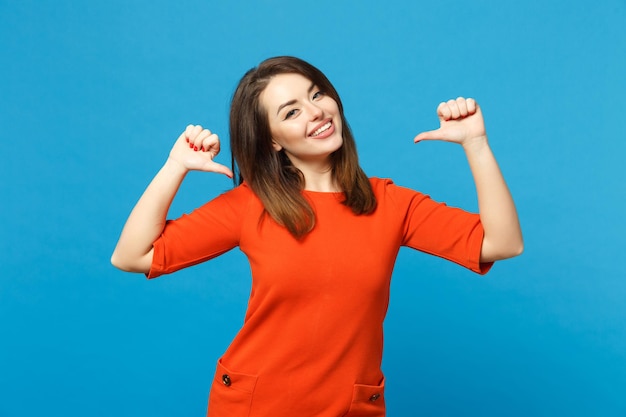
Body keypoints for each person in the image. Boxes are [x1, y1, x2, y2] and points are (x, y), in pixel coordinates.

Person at [111, 56, 523, 417]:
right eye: (291, 112)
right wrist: (175, 167)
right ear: (272, 140)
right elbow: (132, 256)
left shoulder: (390, 203)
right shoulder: (251, 204)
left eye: (317, 94)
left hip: (352, 405)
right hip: (257, 406)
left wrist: (476, 144)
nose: (316, 112)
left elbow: (503, 243)